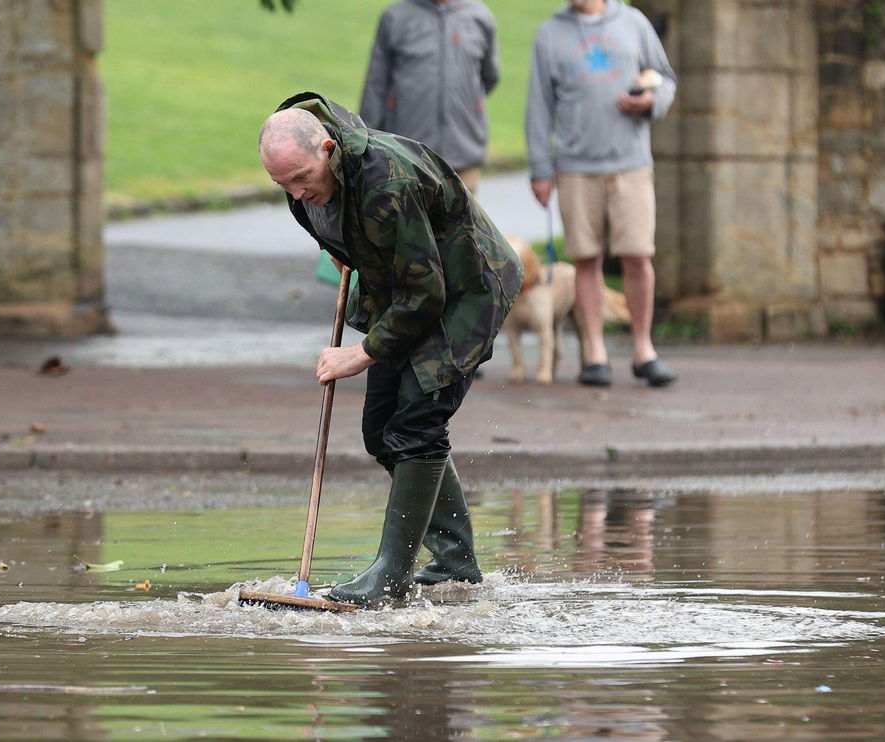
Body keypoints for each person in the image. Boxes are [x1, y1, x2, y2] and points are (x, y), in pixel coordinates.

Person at [259, 93, 521, 606]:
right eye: (282, 184)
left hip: (466, 289)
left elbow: (429, 293)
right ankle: (454, 562)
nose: (296, 192)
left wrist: (359, 355)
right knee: (382, 432)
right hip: (402, 290)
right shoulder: (306, 182)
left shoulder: (386, 181)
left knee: (416, 424)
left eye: (302, 178)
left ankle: (391, 575)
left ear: (328, 149)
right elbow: (353, 244)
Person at [525, 0, 675, 387]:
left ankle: (644, 350)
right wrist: (541, 169)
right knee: (586, 260)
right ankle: (595, 353)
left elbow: (665, 79)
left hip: (631, 163)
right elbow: (539, 107)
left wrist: (651, 102)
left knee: (638, 257)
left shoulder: (634, 22)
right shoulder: (549, 33)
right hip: (575, 166)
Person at [359, 0, 499, 195]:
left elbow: (490, 77)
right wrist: (365, 147)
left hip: (464, 154)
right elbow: (376, 87)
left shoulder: (479, 16)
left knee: (463, 225)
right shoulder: (395, 17)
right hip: (406, 158)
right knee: (411, 225)